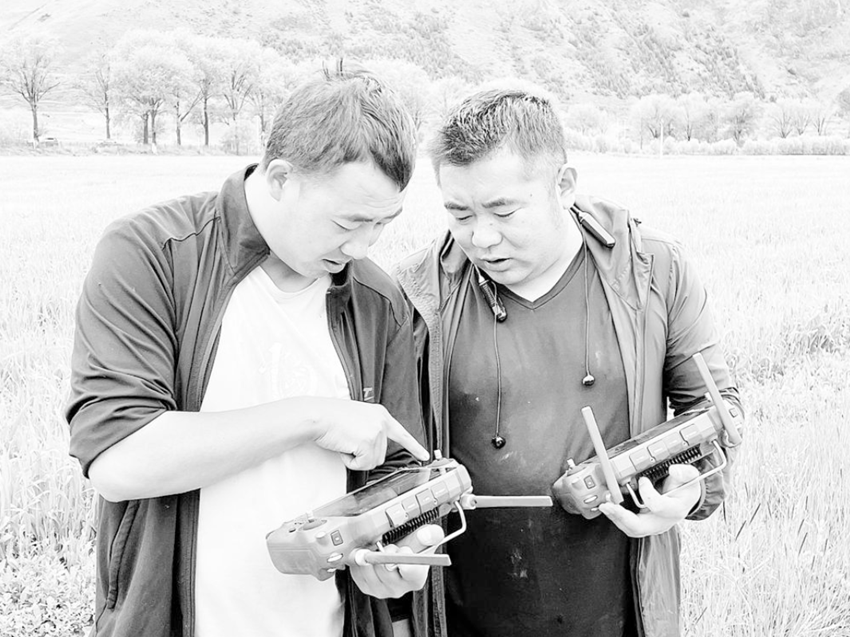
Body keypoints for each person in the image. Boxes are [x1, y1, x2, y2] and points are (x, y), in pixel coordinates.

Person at [66, 65, 436, 637]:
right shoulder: (153, 254)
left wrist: (398, 554)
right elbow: (120, 459)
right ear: (282, 178)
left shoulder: (377, 300)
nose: (363, 247)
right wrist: (311, 417)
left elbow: (397, 470)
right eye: (350, 222)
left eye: (382, 224)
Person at [394, 83, 742, 637]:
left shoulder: (653, 270)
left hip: (620, 609)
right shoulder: (416, 295)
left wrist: (690, 488)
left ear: (563, 185)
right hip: (466, 612)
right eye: (459, 213)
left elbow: (716, 411)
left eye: (504, 211)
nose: (481, 238)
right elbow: (393, 464)